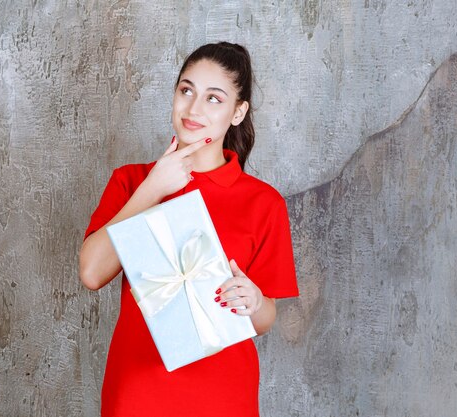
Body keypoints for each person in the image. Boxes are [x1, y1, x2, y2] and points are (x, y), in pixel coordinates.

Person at [79, 42, 299, 417]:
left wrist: (256, 301)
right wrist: (152, 188)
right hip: (137, 394)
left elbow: (264, 321)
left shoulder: (264, 203)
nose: (194, 109)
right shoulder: (130, 181)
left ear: (237, 112)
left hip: (223, 396)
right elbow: (91, 273)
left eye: (214, 98)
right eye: (186, 90)